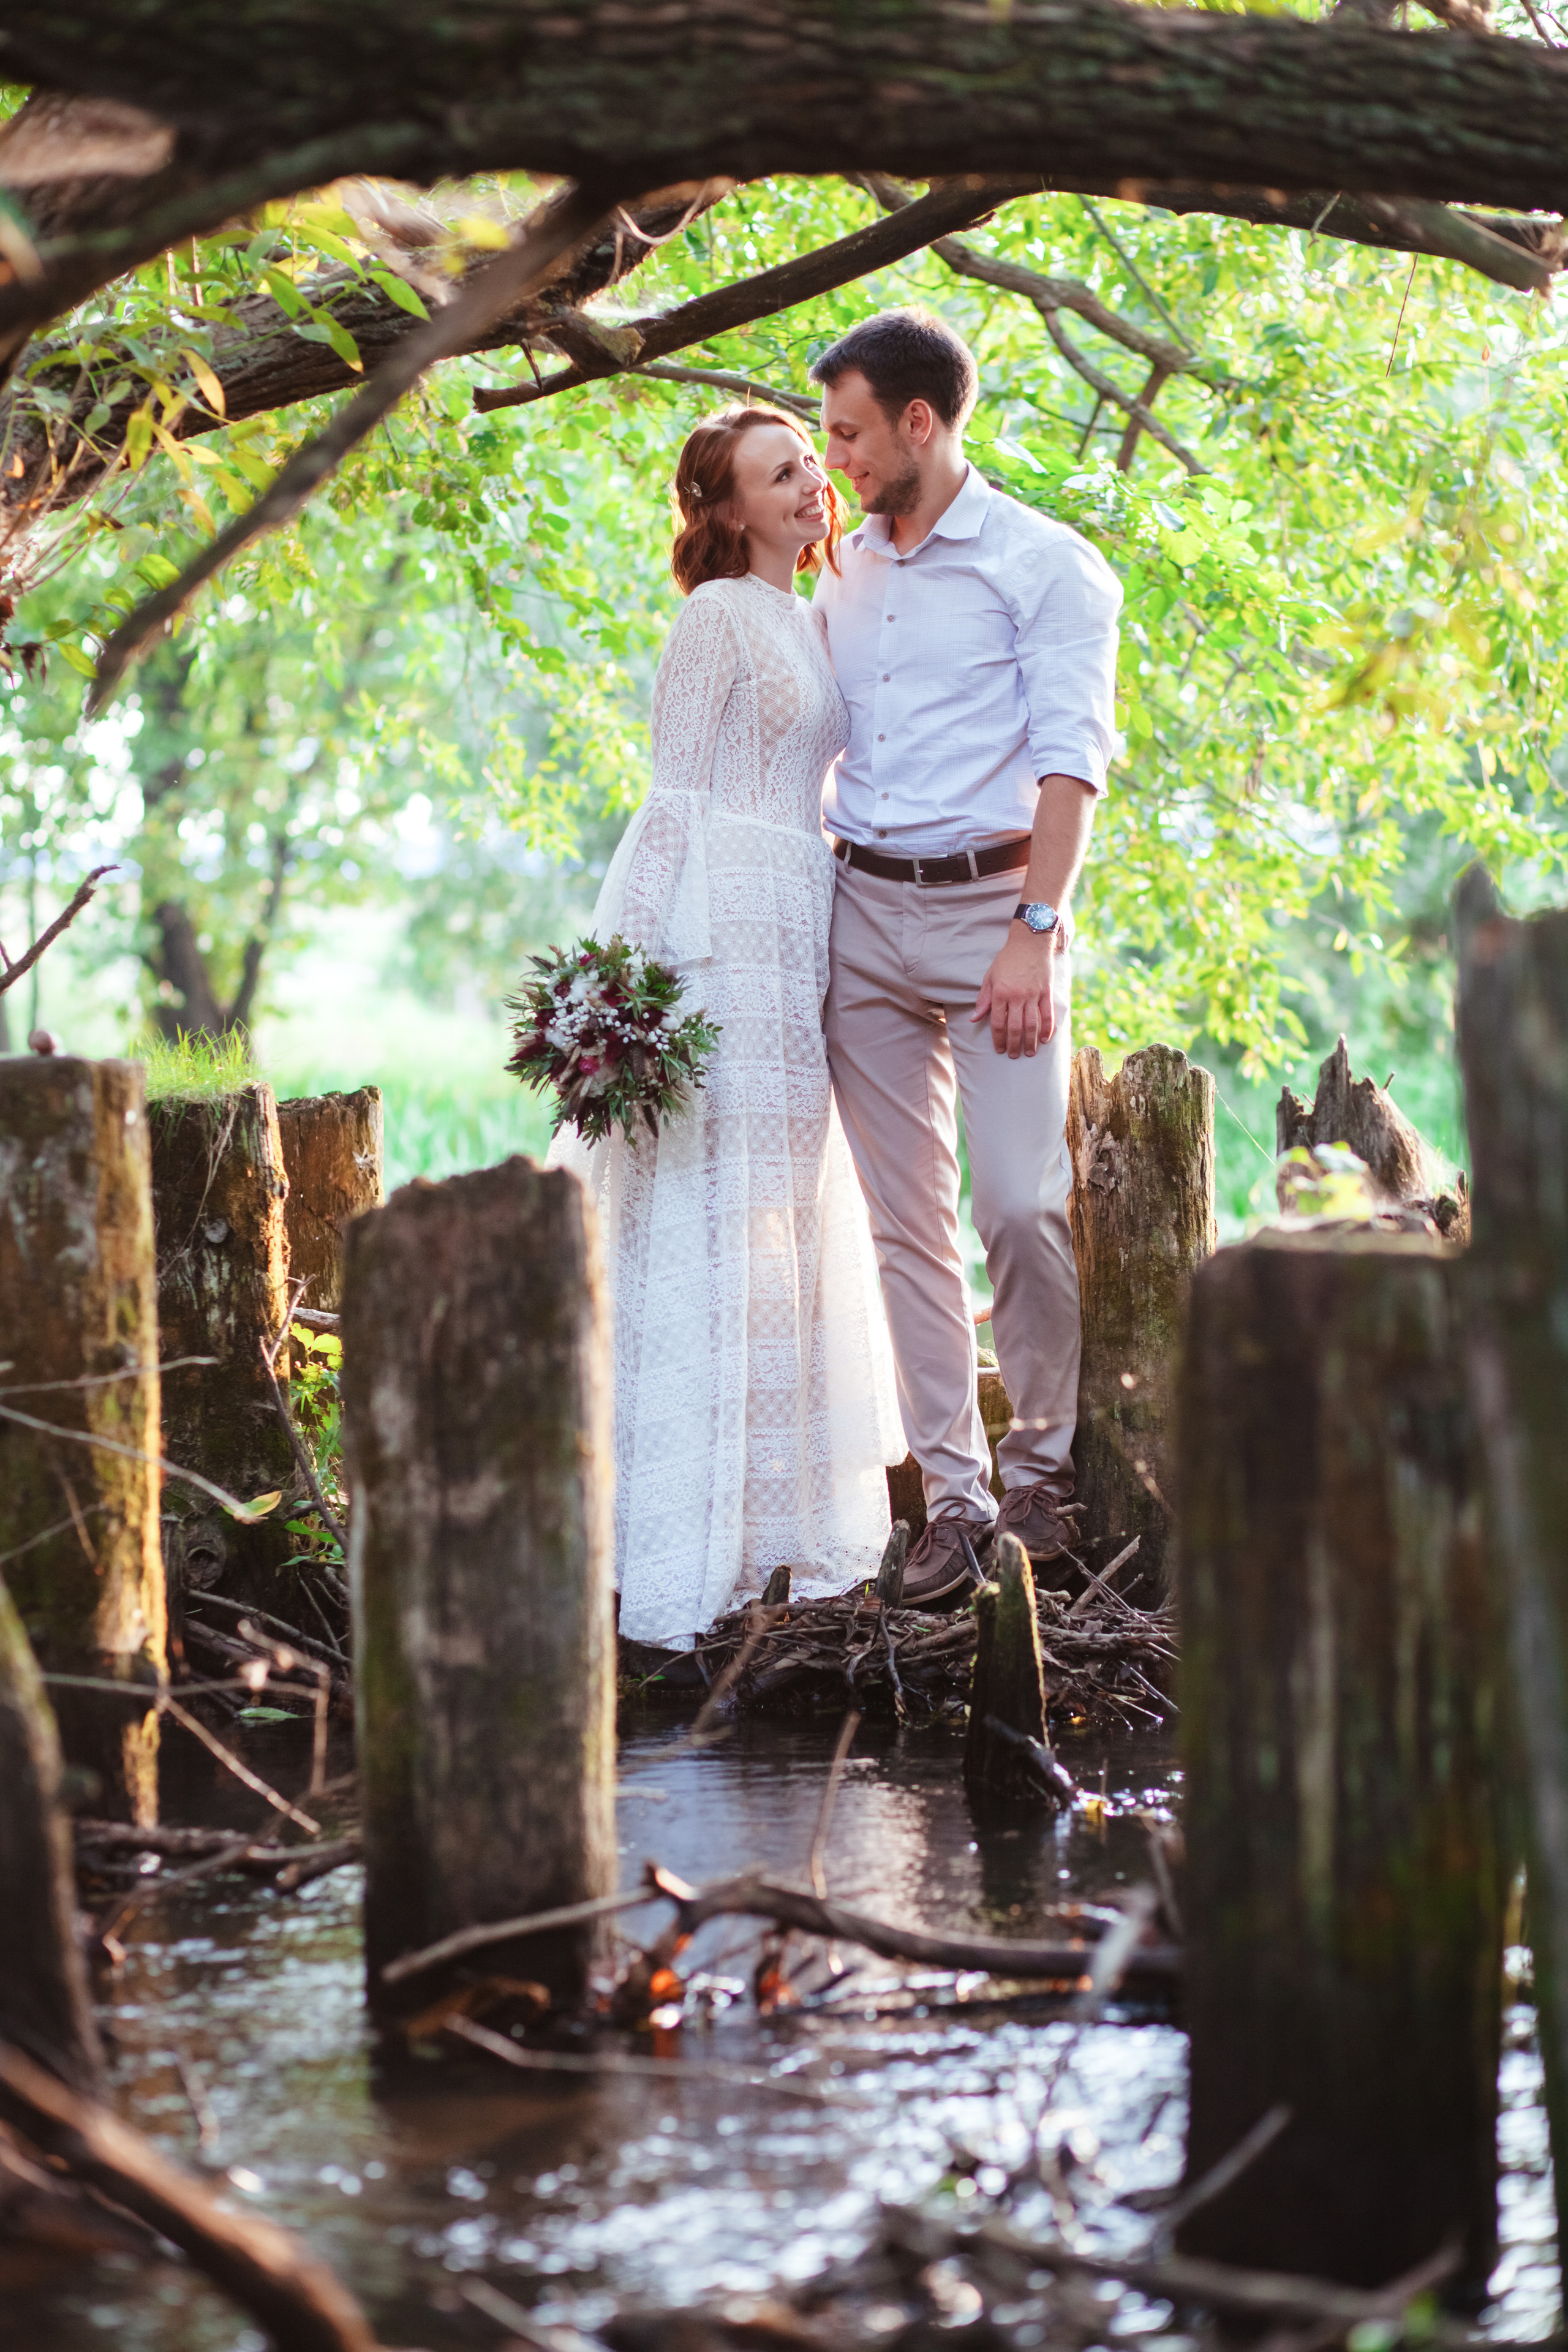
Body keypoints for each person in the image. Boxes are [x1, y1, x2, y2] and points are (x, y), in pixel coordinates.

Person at [554, 405, 902, 1652]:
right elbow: (671, 797)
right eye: (779, 473)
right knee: (707, 1202)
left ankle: (779, 1538)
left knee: (783, 1208)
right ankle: (674, 1554)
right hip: (712, 938)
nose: (812, 482)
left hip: (796, 920)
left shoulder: (807, 613)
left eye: (810, 462)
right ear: (725, 510)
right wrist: (620, 993)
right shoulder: (710, 620)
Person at [810, 309, 1123, 1607]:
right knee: (902, 1228)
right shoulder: (839, 565)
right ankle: (954, 1501)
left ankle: (1041, 1473)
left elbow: (1072, 762)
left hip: (997, 914)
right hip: (858, 919)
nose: (832, 459)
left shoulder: (1048, 568)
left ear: (919, 424)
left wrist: (1034, 933)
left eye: (847, 433)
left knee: (1016, 1202)